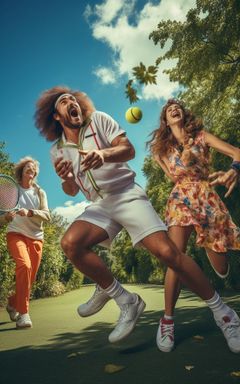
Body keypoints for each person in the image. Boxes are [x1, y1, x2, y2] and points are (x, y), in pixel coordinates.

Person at [35, 86, 240, 352]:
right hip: (101, 204)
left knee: (169, 254)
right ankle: (124, 299)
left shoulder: (98, 119)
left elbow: (128, 150)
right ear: (56, 115)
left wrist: (103, 154)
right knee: (71, 243)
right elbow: (72, 191)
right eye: (65, 101)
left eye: (74, 99)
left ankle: (224, 314)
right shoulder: (58, 151)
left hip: (126, 194)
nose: (72, 102)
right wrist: (66, 179)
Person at [148, 98, 240, 352]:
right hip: (181, 198)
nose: (173, 109)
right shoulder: (160, 151)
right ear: (165, 121)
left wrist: (235, 168)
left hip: (207, 196)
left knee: (220, 265)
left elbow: (237, 152)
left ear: (183, 114)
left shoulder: (201, 136)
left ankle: (214, 257)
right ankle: (167, 320)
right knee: (174, 256)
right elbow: (172, 177)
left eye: (177, 107)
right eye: (168, 110)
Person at [0, 157, 51, 328]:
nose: (32, 169)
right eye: (28, 167)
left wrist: (30, 212)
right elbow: (1, 220)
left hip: (37, 237)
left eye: (34, 168)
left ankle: (13, 303)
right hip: (15, 234)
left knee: (30, 277)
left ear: (35, 173)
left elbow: (48, 216)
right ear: (21, 171)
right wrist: (6, 218)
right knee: (25, 266)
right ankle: (23, 314)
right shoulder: (11, 190)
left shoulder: (39, 192)